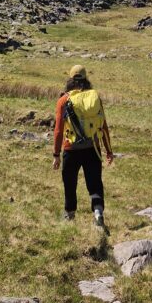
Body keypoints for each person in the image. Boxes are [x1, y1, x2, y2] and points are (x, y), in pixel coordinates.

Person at [52, 64, 114, 227]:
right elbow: (104, 127)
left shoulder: (63, 100)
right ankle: (98, 212)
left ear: (70, 79)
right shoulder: (95, 98)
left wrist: (56, 154)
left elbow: (58, 130)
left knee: (70, 182)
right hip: (92, 148)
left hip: (71, 149)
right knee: (94, 183)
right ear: (86, 79)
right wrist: (108, 151)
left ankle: (69, 214)